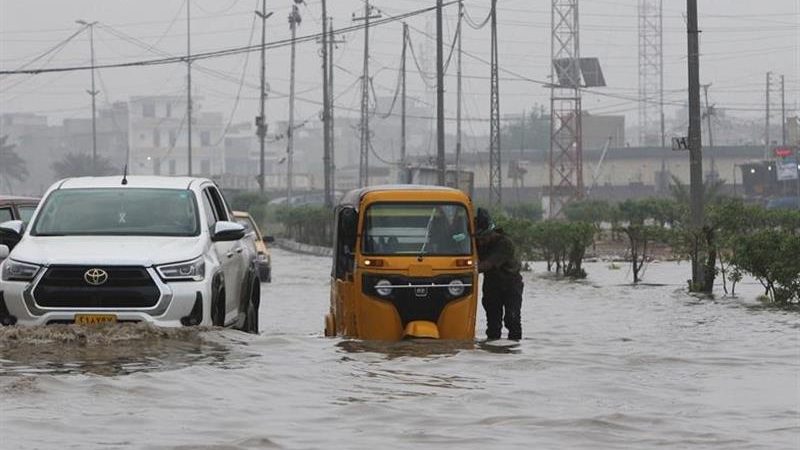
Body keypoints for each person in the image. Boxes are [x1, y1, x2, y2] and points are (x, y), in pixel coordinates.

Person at [474, 208, 524, 341]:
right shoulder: (479, 243)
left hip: (511, 285)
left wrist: (464, 270)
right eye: (478, 239)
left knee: (512, 320)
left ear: (491, 233)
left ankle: (513, 348)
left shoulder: (505, 243)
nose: (480, 242)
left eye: (483, 238)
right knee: (493, 324)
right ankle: (492, 351)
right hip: (491, 286)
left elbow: (487, 265)